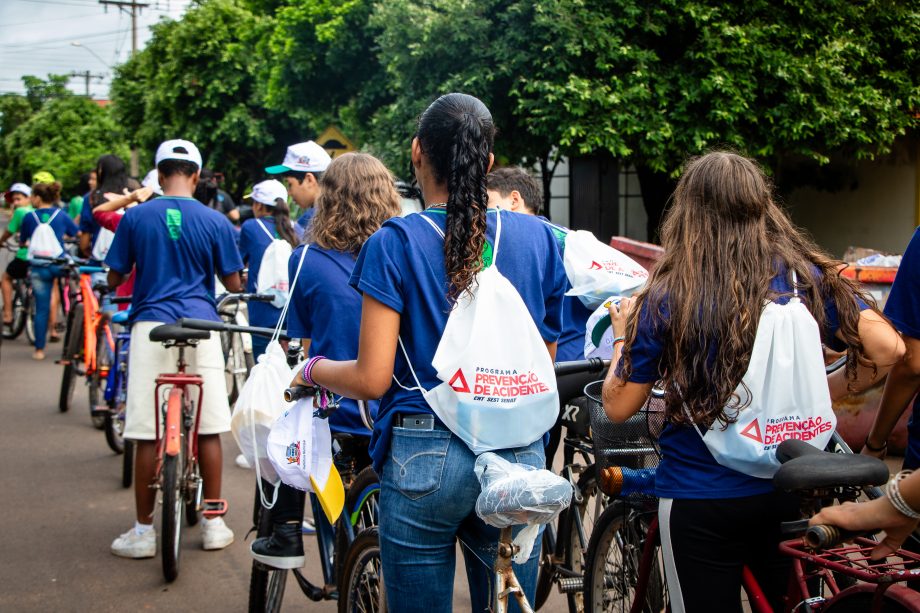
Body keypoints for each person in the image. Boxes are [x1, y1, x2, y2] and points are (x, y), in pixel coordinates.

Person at [288, 93, 567, 610]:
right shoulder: (540, 239)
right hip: (519, 458)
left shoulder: (394, 242)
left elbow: (372, 379)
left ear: (417, 153)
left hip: (424, 456)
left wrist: (312, 368)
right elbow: (540, 364)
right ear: (487, 164)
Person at [601, 151, 905, 613]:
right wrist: (827, 391)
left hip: (699, 497)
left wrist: (622, 340)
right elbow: (888, 348)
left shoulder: (670, 293)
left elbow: (619, 407)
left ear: (688, 212)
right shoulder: (803, 278)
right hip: (790, 488)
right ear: (763, 207)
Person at [250, 152, 401, 569]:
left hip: (338, 410)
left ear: (328, 198)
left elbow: (307, 342)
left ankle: (285, 534)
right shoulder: (400, 252)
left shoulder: (307, 259)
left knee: (281, 427)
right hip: (393, 408)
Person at [105, 139, 243, 558]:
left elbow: (114, 277)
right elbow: (234, 283)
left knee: (148, 432)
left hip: (152, 325)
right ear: (196, 177)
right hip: (201, 324)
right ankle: (214, 523)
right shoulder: (215, 220)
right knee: (208, 426)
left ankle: (144, 532)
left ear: (161, 175)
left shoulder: (136, 217)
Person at [487, 167, 594, 468]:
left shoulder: (524, 244)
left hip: (557, 364)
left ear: (514, 200)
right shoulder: (566, 238)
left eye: (488, 200)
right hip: (589, 360)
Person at [237, 179, 297, 360]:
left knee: (263, 367)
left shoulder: (250, 227)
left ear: (259, 205)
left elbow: (239, 263)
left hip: (263, 312)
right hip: (292, 312)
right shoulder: (296, 229)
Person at [19, 181, 79, 360]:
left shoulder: (29, 217)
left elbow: (23, 241)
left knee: (41, 308)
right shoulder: (62, 215)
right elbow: (76, 233)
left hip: (39, 266)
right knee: (70, 296)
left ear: (37, 198)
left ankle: (39, 349)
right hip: (59, 264)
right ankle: (71, 337)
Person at [264, 141, 331, 237]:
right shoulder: (345, 214)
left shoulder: (309, 223)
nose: (289, 192)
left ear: (309, 180)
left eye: (290, 184)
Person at [80, 155, 139, 260]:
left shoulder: (92, 197)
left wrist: (87, 252)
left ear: (101, 172)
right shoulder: (134, 195)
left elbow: (86, 232)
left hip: (99, 259)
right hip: (129, 259)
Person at [2, 183, 35, 329]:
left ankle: (8, 313)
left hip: (24, 256)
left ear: (29, 198)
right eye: (13, 200)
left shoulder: (20, 212)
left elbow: (9, 231)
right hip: (42, 257)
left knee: (6, 278)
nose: (16, 203)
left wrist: (1, 241)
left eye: (19, 199)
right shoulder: (38, 210)